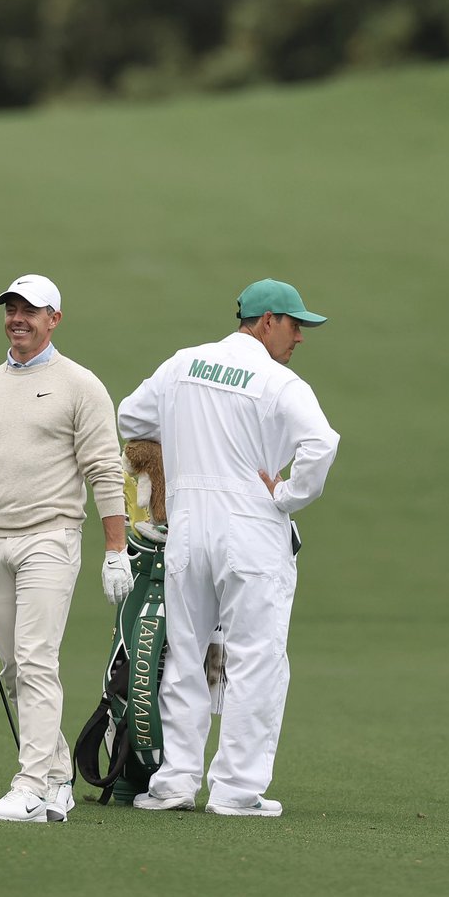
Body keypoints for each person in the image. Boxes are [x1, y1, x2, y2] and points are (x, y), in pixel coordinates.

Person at [117, 278, 340, 817]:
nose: (300, 337)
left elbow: (130, 417)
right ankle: (236, 791)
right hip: (252, 529)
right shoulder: (277, 381)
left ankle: (174, 783)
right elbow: (322, 444)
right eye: (295, 324)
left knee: (186, 657)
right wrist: (287, 494)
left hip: (190, 530)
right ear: (266, 321)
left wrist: (188, 446)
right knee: (256, 659)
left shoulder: (182, 364)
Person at [0, 273, 134, 823]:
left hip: (50, 538)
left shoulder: (80, 385)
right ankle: (57, 777)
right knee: (14, 670)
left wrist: (115, 549)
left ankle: (29, 786)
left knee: (35, 660)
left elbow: (105, 468)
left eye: (31, 310)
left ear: (54, 318)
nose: (18, 318)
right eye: (11, 308)